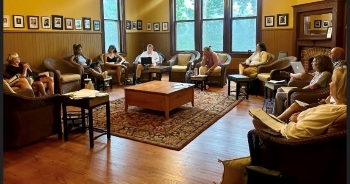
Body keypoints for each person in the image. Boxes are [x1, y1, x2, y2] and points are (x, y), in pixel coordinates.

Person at [252, 66, 346, 139]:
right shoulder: (336, 106)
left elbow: (294, 133)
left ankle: (266, 156)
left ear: (340, 87)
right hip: (297, 127)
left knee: (257, 121)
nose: (330, 84)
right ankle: (275, 120)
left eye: (332, 81)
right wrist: (302, 115)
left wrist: (293, 121)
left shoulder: (331, 111)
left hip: (287, 140)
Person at [280, 47, 345, 81]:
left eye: (331, 53)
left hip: (322, 78)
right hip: (319, 75)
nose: (329, 54)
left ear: (338, 55)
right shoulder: (332, 62)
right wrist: (315, 73)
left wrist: (317, 74)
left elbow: (331, 74)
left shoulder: (340, 64)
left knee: (302, 75)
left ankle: (290, 74)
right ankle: (291, 75)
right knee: (294, 79)